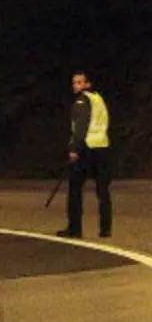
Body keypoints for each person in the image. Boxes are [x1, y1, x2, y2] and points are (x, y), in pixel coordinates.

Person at [58, 71, 112, 238]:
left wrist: (74, 148)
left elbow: (80, 126)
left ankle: (75, 229)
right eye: (74, 82)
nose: (76, 86)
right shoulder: (99, 100)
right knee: (103, 190)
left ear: (87, 84)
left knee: (75, 189)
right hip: (102, 147)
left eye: (80, 82)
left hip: (86, 148)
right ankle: (105, 229)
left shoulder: (81, 101)